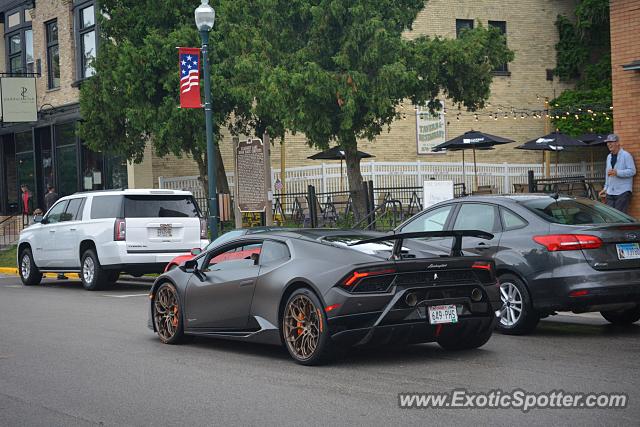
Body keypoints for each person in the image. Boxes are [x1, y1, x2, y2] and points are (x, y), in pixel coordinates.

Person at [599, 133, 636, 214]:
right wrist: (605, 188)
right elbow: (607, 174)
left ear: (618, 143)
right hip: (610, 192)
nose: (609, 144)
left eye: (611, 142)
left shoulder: (626, 155)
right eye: (607, 142)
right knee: (610, 216)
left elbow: (632, 171)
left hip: (623, 192)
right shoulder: (609, 157)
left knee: (620, 217)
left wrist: (617, 172)